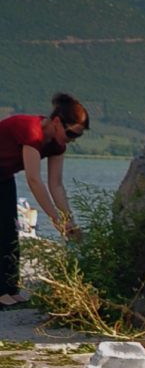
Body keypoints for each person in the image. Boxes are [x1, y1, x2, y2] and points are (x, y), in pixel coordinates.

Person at [0, 95, 88, 306]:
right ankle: (0, 293)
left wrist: (69, 220)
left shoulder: (57, 145)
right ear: (57, 122)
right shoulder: (32, 131)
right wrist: (55, 219)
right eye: (70, 134)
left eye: (76, 137)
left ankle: (11, 290)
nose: (70, 140)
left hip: (3, 176)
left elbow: (56, 184)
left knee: (10, 231)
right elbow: (34, 179)